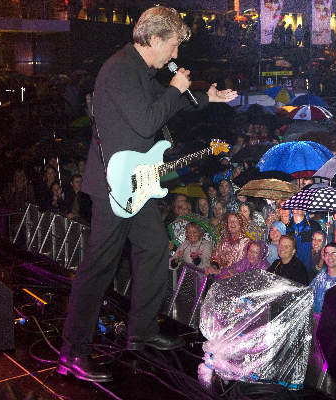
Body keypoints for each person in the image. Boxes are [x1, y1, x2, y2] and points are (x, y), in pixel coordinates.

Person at [59, 6, 238, 383]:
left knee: (155, 248)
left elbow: (165, 102)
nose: (175, 55)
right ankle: (72, 354)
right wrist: (175, 90)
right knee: (98, 269)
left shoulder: (141, 70)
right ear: (154, 40)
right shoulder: (121, 70)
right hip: (114, 187)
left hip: (135, 185)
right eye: (172, 46)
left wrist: (210, 97)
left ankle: (140, 332)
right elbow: (146, 120)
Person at [309, 242, 336, 314]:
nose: (330, 256)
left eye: (334, 253)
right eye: (327, 253)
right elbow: (309, 296)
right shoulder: (320, 277)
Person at [210, 213, 251, 280]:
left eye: (235, 221)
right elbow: (215, 257)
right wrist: (214, 267)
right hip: (220, 278)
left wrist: (232, 274)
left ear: (240, 224)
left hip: (238, 279)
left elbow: (248, 264)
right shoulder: (223, 240)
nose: (232, 223)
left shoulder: (247, 242)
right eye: (229, 221)